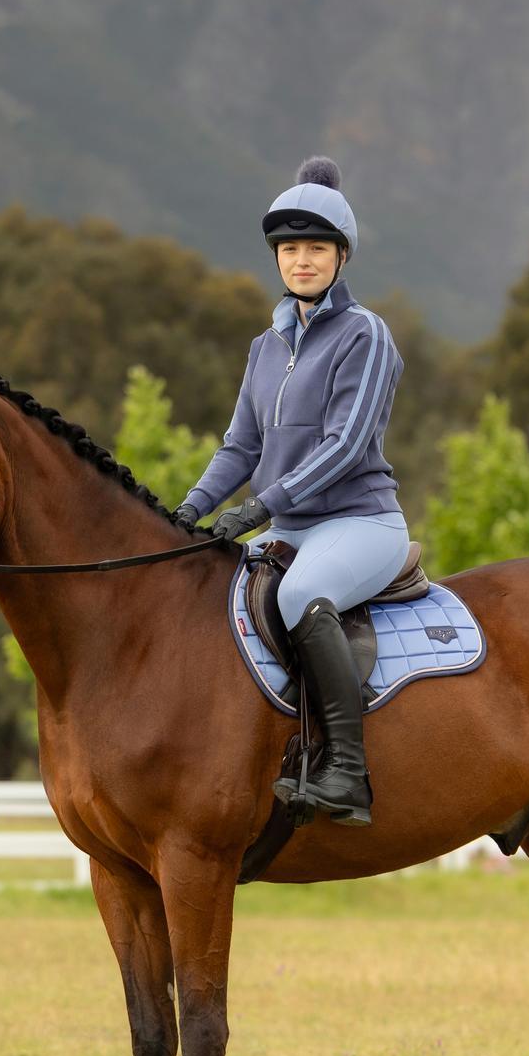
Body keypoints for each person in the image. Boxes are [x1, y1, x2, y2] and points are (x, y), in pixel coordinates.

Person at [174, 157, 408, 827]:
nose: (300, 261)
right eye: (289, 249)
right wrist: (188, 511)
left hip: (358, 521)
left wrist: (257, 509)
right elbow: (239, 448)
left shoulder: (364, 334)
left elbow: (343, 445)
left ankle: (345, 772)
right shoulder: (263, 348)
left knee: (303, 595)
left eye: (315, 249)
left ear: (340, 256)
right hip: (284, 527)